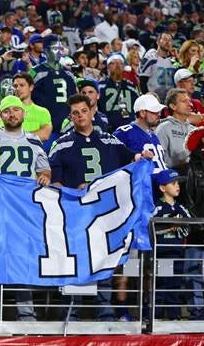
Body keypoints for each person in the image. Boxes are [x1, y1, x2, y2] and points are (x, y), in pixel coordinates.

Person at [49, 94, 152, 321]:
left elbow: (131, 159)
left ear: (92, 112)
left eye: (84, 111)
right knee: (75, 261)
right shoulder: (62, 144)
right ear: (70, 117)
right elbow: (54, 182)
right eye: (75, 113)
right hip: (76, 215)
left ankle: (105, 312)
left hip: (105, 214)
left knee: (104, 259)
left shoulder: (110, 140)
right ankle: (72, 313)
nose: (80, 116)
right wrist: (74, 194)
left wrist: (142, 156)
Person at [0, 95, 51, 322]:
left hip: (24, 215)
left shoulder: (34, 141)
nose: (12, 114)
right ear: (0, 115)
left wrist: (44, 176)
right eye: (7, 111)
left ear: (24, 113)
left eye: (15, 110)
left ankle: (26, 315)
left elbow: (44, 169)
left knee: (23, 263)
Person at [182, 118, 204, 320]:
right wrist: (199, 225)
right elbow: (188, 199)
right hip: (200, 231)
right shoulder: (190, 166)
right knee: (195, 274)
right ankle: (197, 314)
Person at [152, 169, 191, 320]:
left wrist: (180, 226)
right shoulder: (157, 207)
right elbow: (150, 229)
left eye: (178, 183)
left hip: (178, 252)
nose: (178, 186)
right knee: (161, 284)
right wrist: (169, 226)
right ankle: (155, 316)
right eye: (173, 183)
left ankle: (173, 316)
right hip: (163, 253)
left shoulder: (181, 208)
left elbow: (189, 226)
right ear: (162, 188)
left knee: (175, 284)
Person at [30, 35, 77, 146]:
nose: (59, 52)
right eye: (55, 48)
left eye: (60, 48)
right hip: (44, 126)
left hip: (66, 126)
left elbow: (75, 99)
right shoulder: (35, 72)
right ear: (45, 51)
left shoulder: (69, 73)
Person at [113, 94, 168, 173]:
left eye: (159, 111)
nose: (159, 114)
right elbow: (114, 159)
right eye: (155, 112)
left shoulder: (153, 135)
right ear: (142, 113)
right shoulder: (124, 133)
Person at [98, 53, 140, 132]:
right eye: (113, 63)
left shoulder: (131, 87)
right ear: (108, 67)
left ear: (123, 66)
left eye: (120, 63)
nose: (117, 65)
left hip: (130, 128)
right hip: (109, 129)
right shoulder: (101, 86)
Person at [156, 88, 194, 172]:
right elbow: (158, 158)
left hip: (194, 174)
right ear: (173, 106)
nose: (190, 104)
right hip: (173, 174)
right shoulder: (163, 128)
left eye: (189, 101)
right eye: (184, 101)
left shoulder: (193, 130)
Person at [12, 72, 52, 142]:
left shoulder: (43, 112)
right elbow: (6, 134)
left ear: (31, 87)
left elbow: (45, 135)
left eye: (22, 85)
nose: (17, 88)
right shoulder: (7, 111)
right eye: (15, 86)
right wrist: (36, 134)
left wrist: (18, 137)